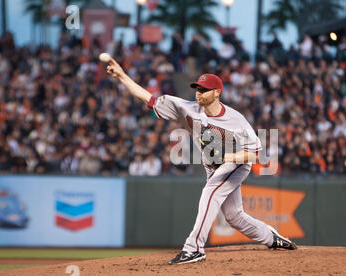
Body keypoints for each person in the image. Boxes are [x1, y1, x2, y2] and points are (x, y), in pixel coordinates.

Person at [105, 58, 297, 265]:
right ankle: (271, 238)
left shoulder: (236, 120)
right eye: (197, 88)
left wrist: (228, 158)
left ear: (217, 93)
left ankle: (194, 248)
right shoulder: (186, 108)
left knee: (210, 191)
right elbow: (148, 99)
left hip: (237, 164)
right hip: (213, 167)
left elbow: (256, 154)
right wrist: (121, 76)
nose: (199, 92)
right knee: (234, 216)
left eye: (204, 89)